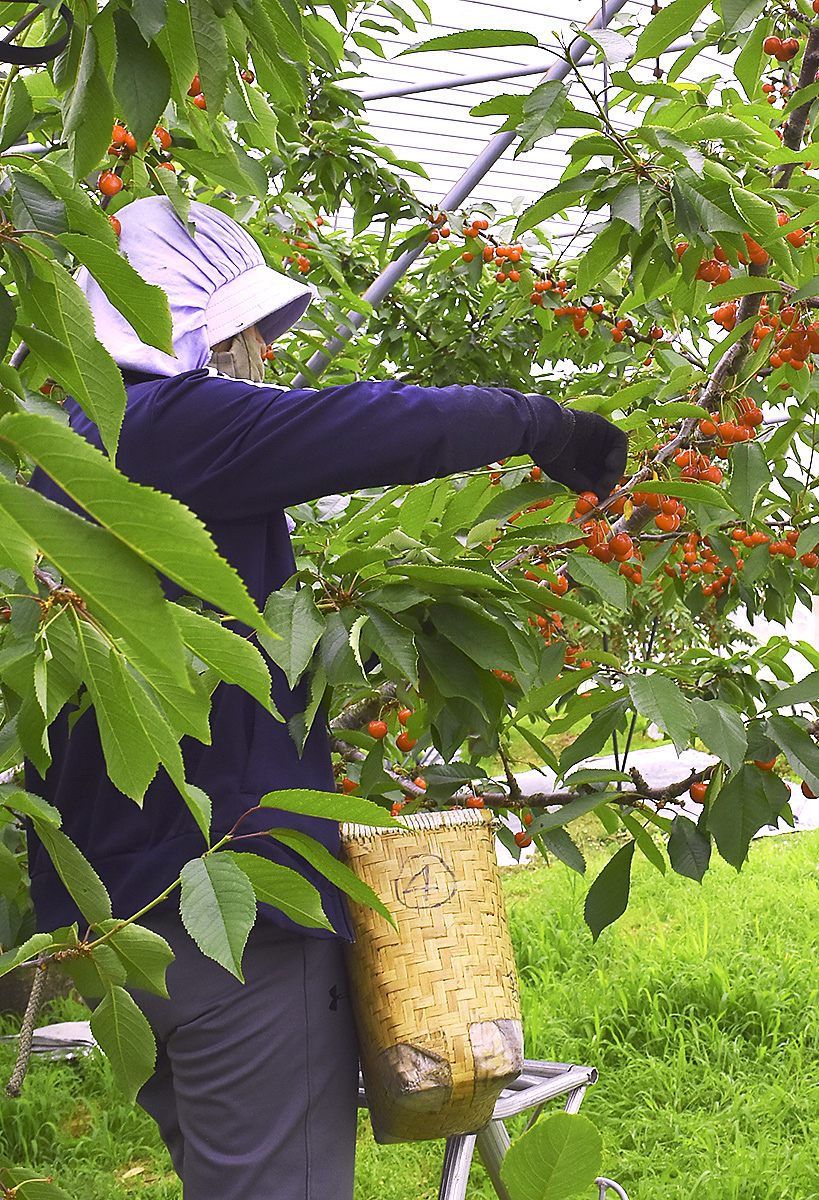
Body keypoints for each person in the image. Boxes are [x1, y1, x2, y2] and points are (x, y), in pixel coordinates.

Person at [24, 196, 627, 1199]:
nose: (260, 350)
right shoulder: (169, 429)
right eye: (244, 328)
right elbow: (378, 421)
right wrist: (541, 422)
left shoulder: (58, 453)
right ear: (184, 320)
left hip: (118, 925)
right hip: (232, 921)